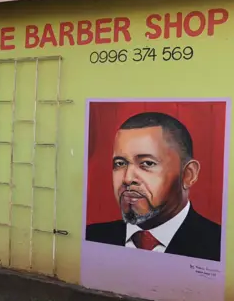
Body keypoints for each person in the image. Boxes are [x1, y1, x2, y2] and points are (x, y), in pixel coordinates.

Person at [85, 111, 221, 262]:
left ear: (188, 174)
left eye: (147, 163)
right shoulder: (91, 237)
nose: (128, 178)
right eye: (120, 163)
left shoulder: (219, 247)